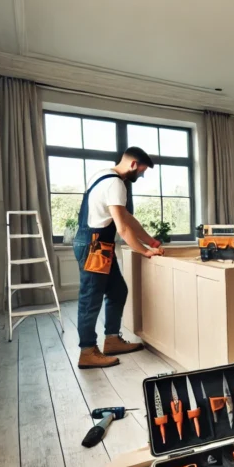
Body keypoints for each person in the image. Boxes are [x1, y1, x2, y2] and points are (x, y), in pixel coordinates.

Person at [73, 146, 165, 369]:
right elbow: (123, 229)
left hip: (97, 244)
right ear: (133, 164)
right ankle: (87, 351)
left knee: (117, 291)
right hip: (95, 246)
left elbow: (127, 218)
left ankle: (112, 339)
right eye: (142, 171)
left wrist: (150, 241)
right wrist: (144, 251)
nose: (141, 176)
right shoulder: (116, 183)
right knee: (90, 299)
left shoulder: (102, 175)